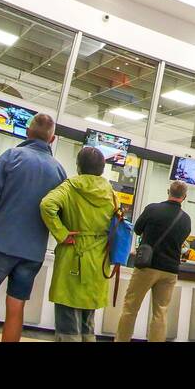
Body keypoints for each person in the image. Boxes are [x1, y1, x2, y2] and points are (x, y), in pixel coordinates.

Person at [0, 112, 65, 342]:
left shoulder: (12, 156)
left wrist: (5, 205)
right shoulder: (58, 171)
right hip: (31, 254)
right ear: (52, 139)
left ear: (28, 132)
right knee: (15, 308)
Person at [39, 145, 117, 342]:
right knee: (87, 323)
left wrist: (62, 233)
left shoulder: (70, 187)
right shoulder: (111, 193)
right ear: (102, 168)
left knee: (67, 321)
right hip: (98, 263)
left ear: (79, 166)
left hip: (72, 258)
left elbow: (47, 205)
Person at [115, 180, 191, 342]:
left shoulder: (153, 209)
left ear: (168, 191)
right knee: (160, 312)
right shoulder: (186, 219)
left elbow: (137, 229)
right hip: (170, 270)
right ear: (184, 197)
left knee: (130, 308)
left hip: (147, 267)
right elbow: (181, 240)